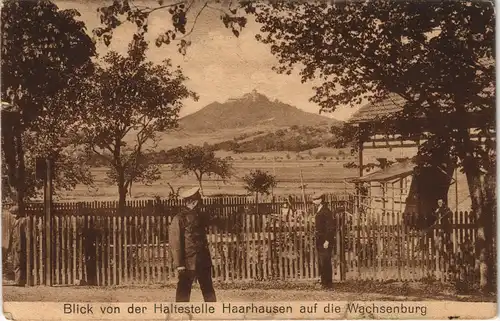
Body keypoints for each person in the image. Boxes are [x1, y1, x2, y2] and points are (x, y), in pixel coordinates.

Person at [168, 187, 216, 302]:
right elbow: (176, 243)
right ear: (193, 202)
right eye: (198, 201)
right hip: (188, 262)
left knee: (208, 291)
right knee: (183, 292)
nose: (200, 204)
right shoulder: (179, 218)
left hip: (203, 261)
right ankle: (181, 315)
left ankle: (214, 314)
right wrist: (179, 264)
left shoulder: (200, 216)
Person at [312, 192, 336, 289]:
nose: (313, 201)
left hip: (325, 240)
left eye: (315, 199)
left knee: (325, 261)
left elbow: (330, 227)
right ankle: (323, 281)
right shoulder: (319, 209)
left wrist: (327, 240)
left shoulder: (326, 211)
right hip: (320, 239)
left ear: (321, 200)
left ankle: (327, 284)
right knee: (322, 261)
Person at [7, 205, 27, 286]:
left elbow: (23, 235)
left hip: (20, 245)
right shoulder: (14, 221)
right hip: (15, 245)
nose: (13, 216)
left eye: (14, 214)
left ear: (18, 213)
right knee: (15, 263)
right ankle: (18, 280)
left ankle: (19, 281)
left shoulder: (22, 221)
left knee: (18, 263)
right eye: (12, 214)